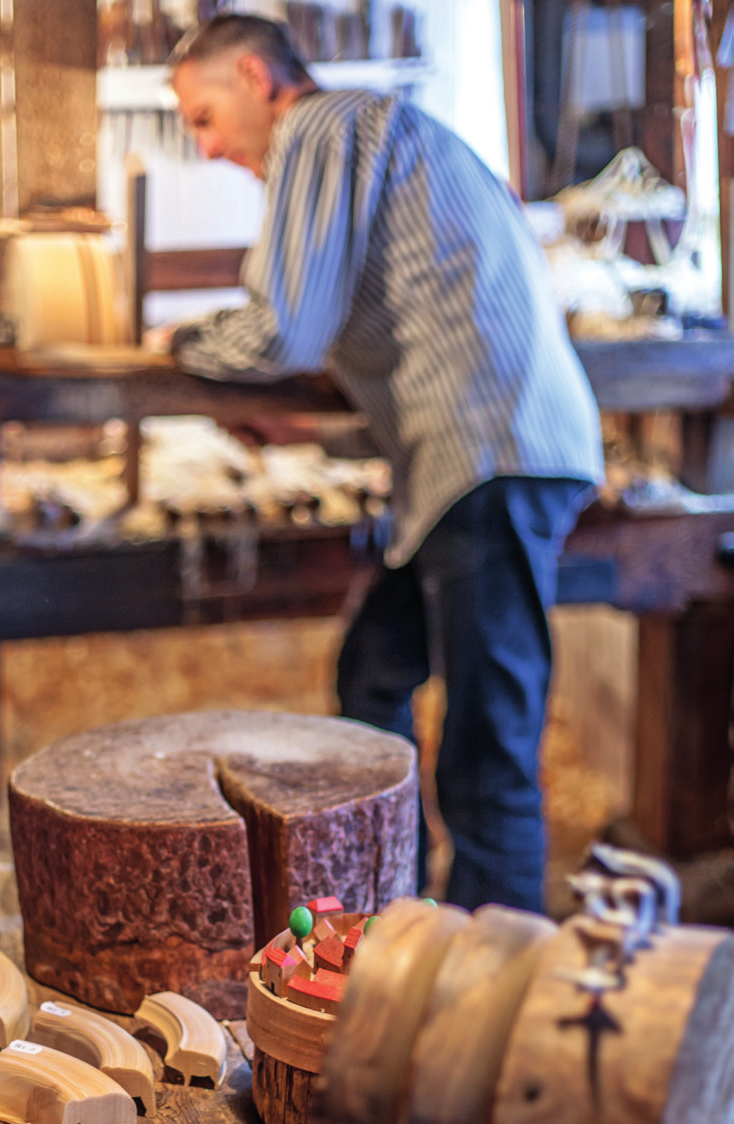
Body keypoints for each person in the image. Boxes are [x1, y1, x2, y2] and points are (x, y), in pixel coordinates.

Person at [165, 14, 605, 913]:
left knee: (489, 747)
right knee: (373, 674)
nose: (206, 148)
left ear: (256, 76)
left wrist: (178, 341)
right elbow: (390, 319)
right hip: (465, 462)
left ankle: (487, 979)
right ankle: (390, 911)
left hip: (493, 455)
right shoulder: (376, 133)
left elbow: (285, 328)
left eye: (204, 116)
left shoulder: (321, 126)